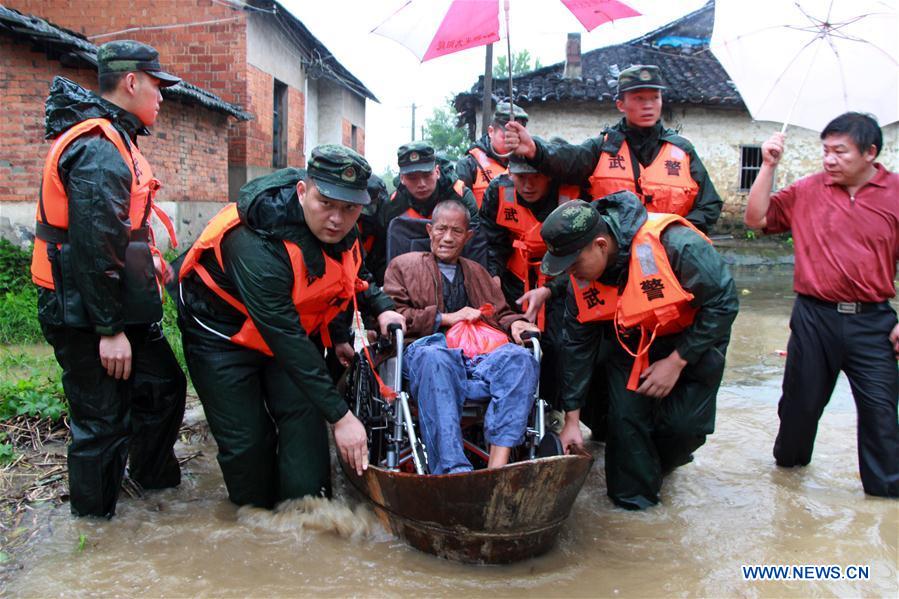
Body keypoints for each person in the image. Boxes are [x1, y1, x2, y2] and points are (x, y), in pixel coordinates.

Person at [177, 146, 405, 508]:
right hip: (222, 336)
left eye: (349, 208)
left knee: (305, 417)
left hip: (290, 330)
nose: (336, 218)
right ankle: (259, 523)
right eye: (325, 203)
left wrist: (381, 307)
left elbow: (352, 273)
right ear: (302, 192)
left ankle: (307, 516)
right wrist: (342, 417)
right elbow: (287, 341)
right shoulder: (255, 245)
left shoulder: (344, 230)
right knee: (248, 440)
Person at [30, 41, 185, 518]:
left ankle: (153, 487)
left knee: (162, 385)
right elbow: (94, 246)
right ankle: (95, 534)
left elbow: (120, 231)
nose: (162, 96)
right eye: (157, 86)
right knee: (100, 421)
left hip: (114, 300)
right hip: (83, 310)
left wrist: (149, 262)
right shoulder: (98, 148)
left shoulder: (119, 137)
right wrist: (109, 330)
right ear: (132, 82)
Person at [541, 194, 738, 509]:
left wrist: (676, 362)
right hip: (632, 343)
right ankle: (635, 510)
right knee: (625, 423)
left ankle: (661, 465)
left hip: (694, 339)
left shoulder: (676, 245)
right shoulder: (581, 282)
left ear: (602, 246)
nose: (571, 274)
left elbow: (724, 301)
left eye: (574, 264)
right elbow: (577, 347)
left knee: (683, 428)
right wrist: (572, 420)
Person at [744, 112, 899, 498]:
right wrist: (767, 165)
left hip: (873, 322)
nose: (829, 159)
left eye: (840, 151)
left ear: (870, 153)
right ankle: (788, 485)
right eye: (825, 150)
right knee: (799, 407)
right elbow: (756, 218)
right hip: (814, 316)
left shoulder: (895, 193)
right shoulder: (806, 191)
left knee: (881, 413)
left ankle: (885, 498)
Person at [382, 200, 541, 474]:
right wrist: (444, 318)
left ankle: (496, 470)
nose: (447, 237)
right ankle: (453, 471)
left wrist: (516, 324)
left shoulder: (478, 272)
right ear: (430, 231)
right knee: (437, 358)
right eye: (441, 229)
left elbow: (500, 314)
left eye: (456, 231)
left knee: (521, 358)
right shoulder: (403, 267)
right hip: (425, 353)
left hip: (477, 357)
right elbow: (392, 315)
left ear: (467, 237)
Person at [504, 65, 722, 234]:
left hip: (670, 258)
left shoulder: (682, 151)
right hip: (614, 259)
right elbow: (569, 159)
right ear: (620, 104)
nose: (648, 105)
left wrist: (678, 233)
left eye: (654, 97)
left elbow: (709, 204)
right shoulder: (602, 147)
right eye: (638, 98)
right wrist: (534, 149)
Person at [478, 154, 581, 408]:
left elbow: (584, 253)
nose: (528, 185)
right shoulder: (498, 192)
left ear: (548, 175)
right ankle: (515, 405)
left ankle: (551, 409)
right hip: (515, 277)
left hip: (561, 276)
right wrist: (493, 275)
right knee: (515, 339)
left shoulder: (571, 194)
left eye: (535, 177)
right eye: (521, 177)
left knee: (558, 345)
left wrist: (550, 289)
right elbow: (491, 240)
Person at [379, 142, 479, 230]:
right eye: (412, 178)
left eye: (427, 175)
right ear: (402, 178)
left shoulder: (460, 196)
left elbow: (475, 240)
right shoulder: (392, 206)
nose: (421, 184)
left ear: (437, 172)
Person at [456, 102, 530, 207]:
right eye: (506, 136)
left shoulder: (528, 162)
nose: (511, 141)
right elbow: (458, 207)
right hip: (481, 222)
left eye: (516, 136)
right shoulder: (469, 164)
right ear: (491, 131)